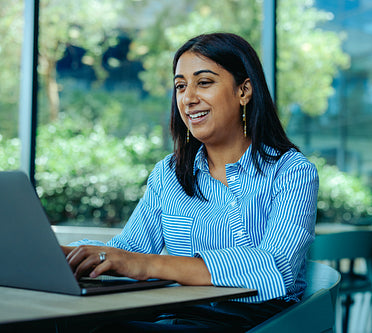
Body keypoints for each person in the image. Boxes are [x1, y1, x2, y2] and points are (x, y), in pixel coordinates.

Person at [62, 32, 319, 332]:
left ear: (244, 90)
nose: (188, 98)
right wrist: (60, 254)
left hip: (254, 324)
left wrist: (147, 265)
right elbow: (127, 249)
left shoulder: (292, 172)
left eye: (204, 82)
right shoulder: (168, 174)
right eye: (180, 86)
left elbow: (275, 267)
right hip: (177, 313)